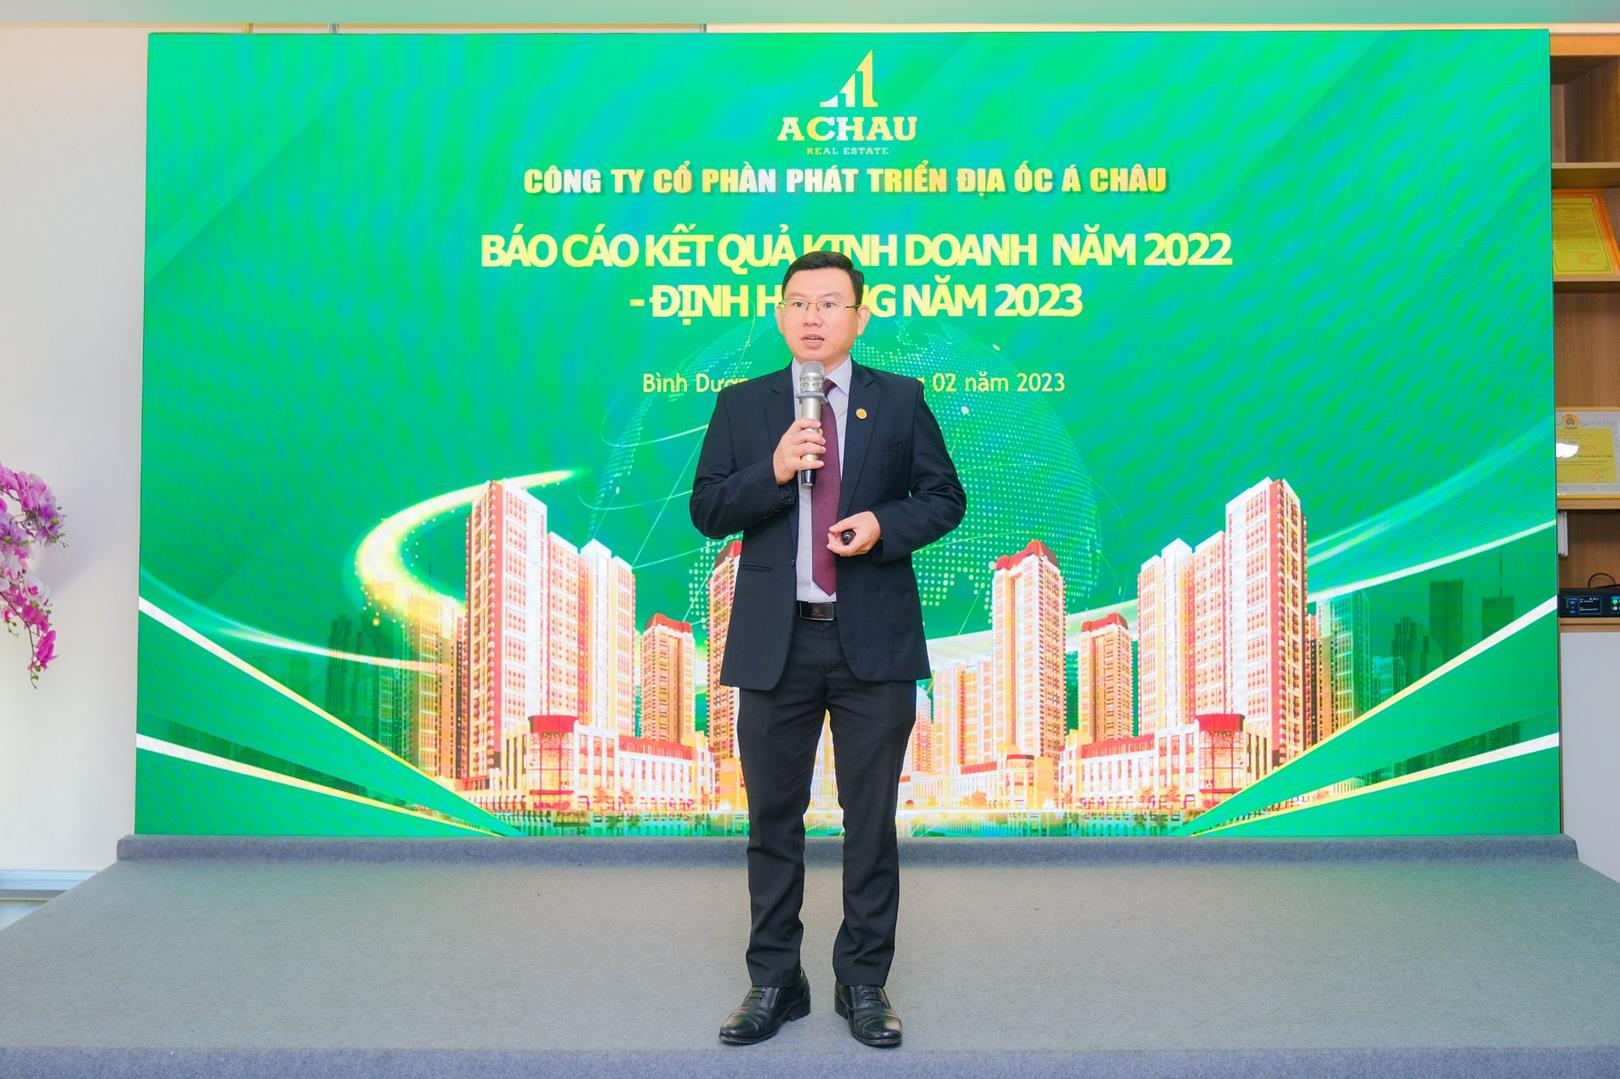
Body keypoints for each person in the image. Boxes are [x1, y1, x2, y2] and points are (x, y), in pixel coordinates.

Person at [689, 249, 966, 1048]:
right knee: (771, 819)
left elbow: (944, 498)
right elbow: (708, 509)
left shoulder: (901, 400)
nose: (813, 316)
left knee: (869, 821)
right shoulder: (742, 405)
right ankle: (776, 979)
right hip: (775, 643)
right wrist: (774, 471)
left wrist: (882, 525)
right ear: (780, 314)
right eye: (799, 302)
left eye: (830, 303)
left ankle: (863, 980)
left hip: (872, 641)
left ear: (859, 315)